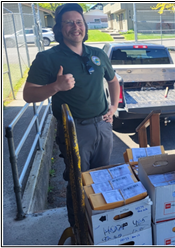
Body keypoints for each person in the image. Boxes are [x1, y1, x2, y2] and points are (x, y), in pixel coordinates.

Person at [23, 3, 119, 231]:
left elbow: (113, 81)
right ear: (59, 27)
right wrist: (56, 86)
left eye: (79, 22)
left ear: (84, 26)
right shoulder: (47, 58)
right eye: (69, 22)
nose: (75, 27)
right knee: (77, 183)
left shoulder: (97, 55)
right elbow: (28, 94)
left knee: (101, 179)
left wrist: (113, 107)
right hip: (74, 131)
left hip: (103, 127)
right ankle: (79, 230)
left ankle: (100, 227)